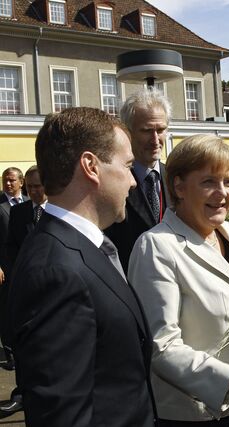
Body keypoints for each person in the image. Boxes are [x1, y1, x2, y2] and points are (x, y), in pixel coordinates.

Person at [129, 134, 229, 426]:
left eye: (228, 182)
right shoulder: (156, 246)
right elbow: (161, 347)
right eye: (208, 182)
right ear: (178, 186)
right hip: (198, 414)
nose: (222, 193)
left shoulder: (227, 231)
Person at [8, 107, 157, 426]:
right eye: (128, 165)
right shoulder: (56, 270)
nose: (133, 182)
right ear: (90, 166)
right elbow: (63, 415)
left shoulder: (80, 249)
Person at [105, 87, 171, 273]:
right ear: (128, 132)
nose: (155, 139)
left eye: (161, 130)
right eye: (147, 130)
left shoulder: (177, 179)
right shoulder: (111, 182)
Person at [0, 165, 47, 415]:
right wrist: (16, 271)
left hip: (52, 289)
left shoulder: (60, 212)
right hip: (25, 287)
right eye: (30, 187)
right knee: (23, 342)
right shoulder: (19, 213)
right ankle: (22, 392)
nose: (34, 191)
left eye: (38, 186)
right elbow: (8, 247)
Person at [0, 167, 28, 371]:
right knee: (6, 311)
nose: (8, 184)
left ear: (21, 181)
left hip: (27, 267)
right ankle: (10, 353)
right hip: (6, 268)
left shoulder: (30, 202)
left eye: (11, 180)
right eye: (5, 180)